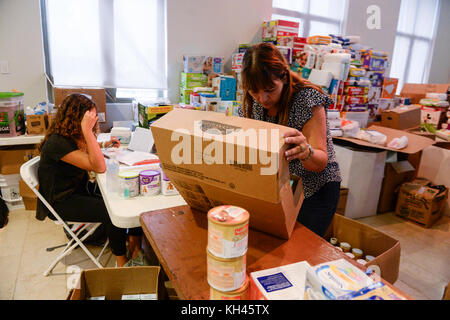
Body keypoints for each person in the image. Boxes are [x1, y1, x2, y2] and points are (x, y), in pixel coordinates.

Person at [239, 42, 342, 237]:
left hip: (315, 189)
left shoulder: (306, 99)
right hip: (280, 186)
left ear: (283, 77)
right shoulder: (251, 103)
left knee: (301, 251)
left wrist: (306, 152)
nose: (263, 98)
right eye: (255, 91)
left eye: (270, 89)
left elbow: (320, 162)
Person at [36, 93, 147, 267]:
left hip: (77, 189)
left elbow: (86, 150)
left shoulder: (70, 136)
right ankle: (122, 262)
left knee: (130, 194)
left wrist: (102, 144)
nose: (95, 121)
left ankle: (136, 247)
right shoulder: (58, 143)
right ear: (78, 119)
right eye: (92, 118)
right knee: (111, 210)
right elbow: (99, 167)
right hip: (61, 201)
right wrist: (87, 130)